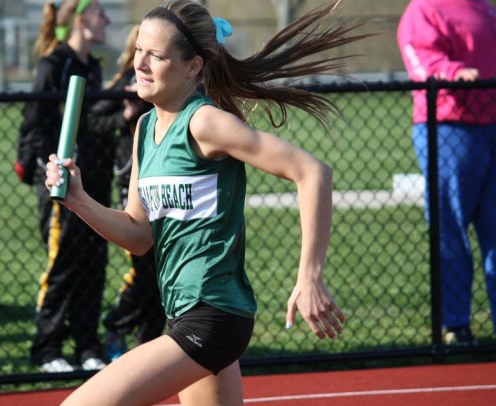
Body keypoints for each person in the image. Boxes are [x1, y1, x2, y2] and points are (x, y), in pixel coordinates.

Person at [46, 0, 363, 404]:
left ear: (193, 67)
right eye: (138, 49)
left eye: (156, 56)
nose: (139, 64)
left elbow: (312, 172)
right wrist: (78, 199)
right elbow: (139, 234)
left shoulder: (204, 122)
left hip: (213, 316)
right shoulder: (145, 128)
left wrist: (309, 278)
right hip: (183, 314)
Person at [19, 0, 115, 373]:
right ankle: (47, 348)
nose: (106, 19)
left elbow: (92, 124)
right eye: (100, 12)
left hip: (92, 182)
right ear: (81, 19)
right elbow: (34, 126)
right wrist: (51, 168)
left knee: (94, 261)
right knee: (63, 264)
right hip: (60, 183)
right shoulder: (53, 66)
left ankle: (87, 346)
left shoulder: (92, 67)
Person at [397, 0, 496, 346]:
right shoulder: (425, 9)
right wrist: (454, 73)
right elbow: (421, 60)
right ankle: (455, 324)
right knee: (450, 226)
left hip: (490, 123)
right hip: (450, 126)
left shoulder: (482, 6)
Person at [87, 24, 166, 362]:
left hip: (167, 187)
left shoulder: (174, 87)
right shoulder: (121, 86)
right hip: (133, 185)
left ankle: (149, 345)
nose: (146, 62)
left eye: (158, 54)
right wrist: (127, 113)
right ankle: (117, 324)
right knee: (145, 271)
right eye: (142, 52)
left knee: (165, 274)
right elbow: (93, 122)